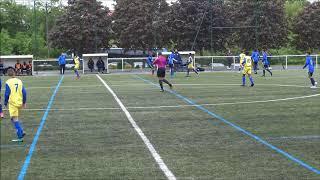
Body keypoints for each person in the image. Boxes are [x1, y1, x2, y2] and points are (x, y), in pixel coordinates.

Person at [4, 68, 27, 142]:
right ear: (14, 73)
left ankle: (21, 134)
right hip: (19, 102)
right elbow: (24, 92)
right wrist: (24, 102)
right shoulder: (19, 81)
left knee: (14, 119)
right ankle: (20, 131)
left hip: (13, 103)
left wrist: (5, 102)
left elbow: (7, 93)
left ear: (8, 74)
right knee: (13, 118)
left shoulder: (8, 82)